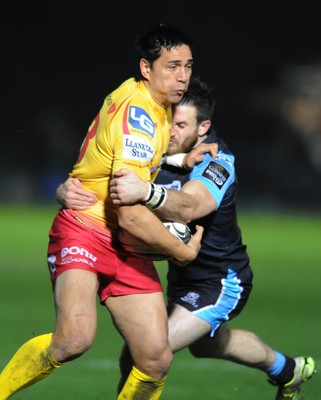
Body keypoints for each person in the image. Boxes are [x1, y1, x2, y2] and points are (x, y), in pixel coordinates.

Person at [58, 77, 316, 400]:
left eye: (181, 124)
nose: (171, 131)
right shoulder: (160, 151)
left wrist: (147, 191)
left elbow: (191, 206)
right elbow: (101, 179)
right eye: (169, 120)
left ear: (203, 127)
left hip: (220, 280)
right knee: (210, 345)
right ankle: (288, 370)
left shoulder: (217, 161)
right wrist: (65, 190)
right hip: (183, 277)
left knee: (143, 352)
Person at [0, 25, 205, 400]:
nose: (183, 76)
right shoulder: (139, 114)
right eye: (173, 66)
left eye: (188, 66)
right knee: (74, 339)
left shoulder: (154, 102)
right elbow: (129, 215)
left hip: (123, 242)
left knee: (156, 358)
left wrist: (178, 156)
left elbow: (105, 153)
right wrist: (181, 251)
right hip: (87, 228)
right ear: (147, 67)